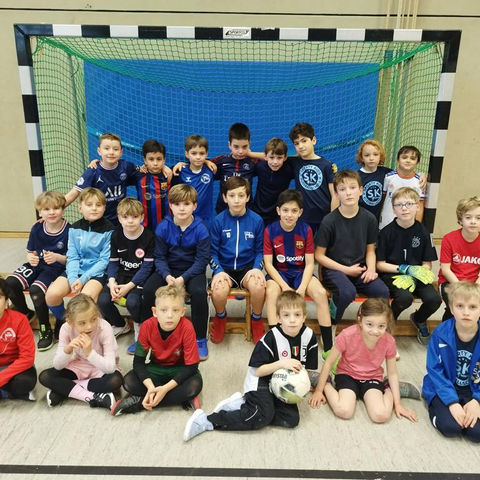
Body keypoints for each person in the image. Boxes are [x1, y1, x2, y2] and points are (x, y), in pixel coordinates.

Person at [183, 291, 318, 441]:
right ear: (279, 318)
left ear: (304, 317)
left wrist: (317, 390)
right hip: (261, 379)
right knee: (261, 416)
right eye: (286, 315)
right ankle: (207, 421)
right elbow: (258, 371)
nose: (292, 320)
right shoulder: (271, 338)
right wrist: (282, 363)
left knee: (291, 419)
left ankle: (245, 405)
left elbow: (309, 370)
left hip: (281, 383)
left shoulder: (309, 336)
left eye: (297, 315)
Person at [309, 298, 419, 423]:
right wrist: (319, 390)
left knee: (381, 416)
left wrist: (397, 404)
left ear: (387, 324)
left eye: (381, 326)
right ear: (360, 320)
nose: (375, 331)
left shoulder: (389, 341)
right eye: (369, 324)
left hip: (372, 377)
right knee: (344, 411)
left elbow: (392, 373)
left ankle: (389, 387)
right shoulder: (347, 335)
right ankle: (326, 383)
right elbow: (329, 362)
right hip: (347, 375)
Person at [140, 184, 210, 360]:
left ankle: (200, 338)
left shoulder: (201, 229)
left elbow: (202, 260)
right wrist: (167, 275)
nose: (182, 208)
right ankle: (148, 336)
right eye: (177, 204)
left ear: (194, 206)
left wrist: (183, 278)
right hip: (168, 270)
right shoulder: (163, 227)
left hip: (192, 270)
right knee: (148, 290)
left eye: (186, 204)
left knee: (199, 292)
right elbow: (159, 257)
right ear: (170, 205)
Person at [111, 285, 202, 416]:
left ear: (183, 312)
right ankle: (180, 398)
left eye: (175, 310)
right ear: (155, 311)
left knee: (194, 385)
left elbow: (191, 366)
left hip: (180, 369)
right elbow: (138, 363)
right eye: (163, 310)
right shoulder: (147, 326)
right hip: (156, 368)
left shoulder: (187, 327)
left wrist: (164, 389)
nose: (169, 315)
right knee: (128, 381)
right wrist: (150, 387)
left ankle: (139, 401)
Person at [315, 170, 389, 326]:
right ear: (336, 194)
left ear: (361, 190)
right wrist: (346, 269)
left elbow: (370, 250)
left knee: (382, 291)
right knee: (347, 292)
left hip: (359, 269)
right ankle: (331, 321)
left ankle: (369, 324)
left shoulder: (369, 219)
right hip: (334, 269)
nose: (348, 193)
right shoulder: (329, 221)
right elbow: (319, 256)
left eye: (352, 187)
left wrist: (371, 269)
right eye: (342, 189)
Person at [264, 189, 332, 352]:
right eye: (285, 210)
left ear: (300, 212)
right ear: (278, 211)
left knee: (321, 293)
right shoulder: (270, 230)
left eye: (294, 211)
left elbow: (310, 264)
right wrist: (284, 286)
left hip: (301, 272)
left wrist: (301, 288)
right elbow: (268, 264)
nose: (289, 215)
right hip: (279, 273)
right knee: (271, 292)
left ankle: (328, 345)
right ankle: (275, 341)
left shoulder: (306, 230)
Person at [6, 191, 70, 351]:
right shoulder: (37, 227)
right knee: (10, 283)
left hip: (56, 268)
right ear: (40, 212)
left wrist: (57, 257)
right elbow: (31, 252)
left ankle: (45, 328)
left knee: (36, 290)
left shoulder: (70, 230)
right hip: (36, 264)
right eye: (47, 209)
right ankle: (26, 313)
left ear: (63, 210)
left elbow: (73, 260)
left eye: (56, 208)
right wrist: (30, 257)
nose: (52, 212)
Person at [376, 187, 441, 345]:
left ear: (417, 206)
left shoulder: (424, 232)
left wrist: (418, 272)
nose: (404, 208)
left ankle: (418, 318)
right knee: (405, 298)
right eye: (399, 205)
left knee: (434, 299)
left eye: (409, 204)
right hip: (393, 275)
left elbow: (427, 264)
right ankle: (389, 323)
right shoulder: (386, 233)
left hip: (416, 276)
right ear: (393, 209)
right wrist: (403, 269)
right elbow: (380, 264)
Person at [46, 188, 114, 336]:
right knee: (51, 295)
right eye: (89, 204)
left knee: (84, 299)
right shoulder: (74, 228)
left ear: (104, 208)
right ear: (79, 207)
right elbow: (72, 256)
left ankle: (89, 332)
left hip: (97, 273)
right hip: (75, 270)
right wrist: (72, 279)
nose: (94, 208)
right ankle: (66, 323)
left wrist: (83, 279)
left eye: (98, 205)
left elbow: (104, 261)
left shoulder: (110, 230)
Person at [39, 294, 123, 410]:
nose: (89, 326)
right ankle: (92, 397)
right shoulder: (65, 328)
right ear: (70, 322)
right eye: (82, 323)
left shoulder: (104, 327)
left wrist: (90, 353)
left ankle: (65, 388)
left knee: (115, 381)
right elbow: (57, 366)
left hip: (101, 368)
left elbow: (110, 368)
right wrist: (67, 350)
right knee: (45, 376)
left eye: (94, 319)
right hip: (78, 366)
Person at [210, 176, 266, 344]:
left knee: (258, 286)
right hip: (225, 269)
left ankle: (256, 319)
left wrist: (256, 268)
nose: (236, 200)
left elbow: (260, 251)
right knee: (218, 290)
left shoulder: (257, 220)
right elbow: (212, 253)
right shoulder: (218, 221)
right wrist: (218, 271)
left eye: (241, 195)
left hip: (247, 269)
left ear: (248, 197)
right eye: (232, 195)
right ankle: (221, 317)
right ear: (224, 197)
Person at [422, 282, 480, 442]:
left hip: (473, 389)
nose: (466, 312)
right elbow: (434, 369)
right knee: (450, 427)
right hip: (444, 385)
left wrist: (477, 401)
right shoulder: (440, 333)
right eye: (460, 306)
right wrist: (452, 403)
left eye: (473, 307)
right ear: (451, 308)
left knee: (476, 434)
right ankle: (434, 407)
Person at [97, 198, 155, 354]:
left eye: (135, 217)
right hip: (121, 276)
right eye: (125, 217)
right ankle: (120, 325)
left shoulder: (149, 236)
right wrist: (112, 282)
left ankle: (140, 328)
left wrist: (129, 287)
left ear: (142, 217)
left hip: (140, 278)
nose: (130, 221)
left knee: (133, 302)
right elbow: (113, 262)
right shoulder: (116, 235)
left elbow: (147, 267)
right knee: (102, 300)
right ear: (119, 218)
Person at [64, 133, 137, 225]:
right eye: (106, 148)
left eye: (115, 149)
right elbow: (73, 194)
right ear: (99, 151)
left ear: (121, 152)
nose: (111, 152)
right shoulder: (92, 171)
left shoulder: (126, 166)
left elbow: (144, 171)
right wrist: (53, 210)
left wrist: (154, 168)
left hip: (121, 222)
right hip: (99, 223)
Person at [356, 139, 427, 223]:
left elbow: (404, 174)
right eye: (367, 155)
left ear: (380, 156)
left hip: (377, 220)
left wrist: (423, 175)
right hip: (361, 218)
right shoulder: (357, 177)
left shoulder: (386, 173)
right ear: (361, 157)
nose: (371, 158)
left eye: (375, 154)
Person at [288, 122, 338, 234]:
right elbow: (273, 155)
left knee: (323, 245)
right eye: (296, 143)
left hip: (324, 218)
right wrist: (249, 154)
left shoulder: (327, 165)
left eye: (304, 141)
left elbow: (335, 195)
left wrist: (332, 219)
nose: (301, 146)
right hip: (303, 218)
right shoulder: (294, 162)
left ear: (313, 140)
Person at [438, 196, 480, 321]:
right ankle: (447, 329)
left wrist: (475, 288)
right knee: (457, 305)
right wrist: (461, 288)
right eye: (468, 217)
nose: (473, 222)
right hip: (450, 281)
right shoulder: (449, 239)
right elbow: (445, 270)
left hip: (474, 283)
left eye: (478, 218)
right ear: (460, 219)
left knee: (473, 307)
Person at [211, 122, 261, 214]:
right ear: (229, 145)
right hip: (223, 209)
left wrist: (251, 154)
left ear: (249, 144)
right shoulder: (221, 161)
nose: (240, 151)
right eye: (236, 147)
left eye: (244, 147)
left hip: (246, 210)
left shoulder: (253, 162)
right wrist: (206, 162)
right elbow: (198, 162)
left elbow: (270, 157)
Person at [0, 278, 36, 401]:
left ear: (6, 301)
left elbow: (27, 358)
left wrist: (1, 377)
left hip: (15, 366)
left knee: (25, 382)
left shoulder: (20, 320)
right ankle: (8, 393)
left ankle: (5, 391)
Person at [171, 135, 215, 229]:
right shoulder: (180, 171)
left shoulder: (211, 169)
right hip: (185, 217)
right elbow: (162, 172)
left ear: (206, 154)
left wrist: (207, 162)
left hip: (205, 219)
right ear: (187, 154)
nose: (198, 157)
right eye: (194, 153)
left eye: (201, 153)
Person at [379, 145, 426, 230]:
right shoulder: (388, 177)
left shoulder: (420, 182)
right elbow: (383, 199)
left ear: (417, 162)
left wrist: (417, 226)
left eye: (412, 158)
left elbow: (420, 206)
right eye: (404, 157)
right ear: (398, 160)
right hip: (387, 222)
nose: (408, 160)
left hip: (407, 225)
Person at [251, 138, 294, 226]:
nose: (275, 162)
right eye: (271, 157)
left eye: (279, 158)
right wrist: (248, 153)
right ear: (265, 157)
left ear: (285, 158)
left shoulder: (289, 170)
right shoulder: (260, 167)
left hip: (277, 215)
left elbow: (301, 157)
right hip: (257, 212)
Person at [131, 139, 171, 232]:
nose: (155, 163)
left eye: (159, 159)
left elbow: (189, 167)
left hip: (167, 226)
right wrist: (98, 163)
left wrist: (181, 163)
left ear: (164, 160)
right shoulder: (138, 175)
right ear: (145, 160)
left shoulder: (169, 174)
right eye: (151, 159)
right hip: (145, 227)